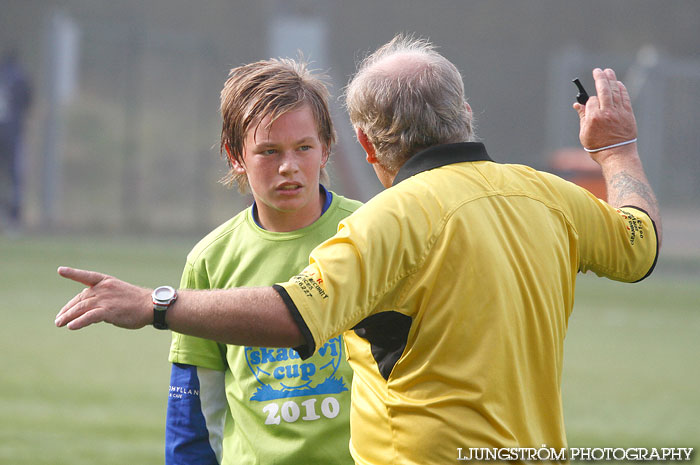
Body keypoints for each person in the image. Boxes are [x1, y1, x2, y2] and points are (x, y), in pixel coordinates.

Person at [56, 35, 660, 465]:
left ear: (365, 146)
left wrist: (156, 305)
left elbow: (293, 315)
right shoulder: (547, 196)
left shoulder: (387, 221)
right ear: (465, 114)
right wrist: (618, 152)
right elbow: (639, 245)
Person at [165, 58, 360, 464]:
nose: (289, 166)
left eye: (303, 147)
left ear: (325, 147)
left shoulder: (370, 232)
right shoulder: (210, 260)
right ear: (235, 155)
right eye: (269, 151)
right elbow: (193, 411)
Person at [0, 49, 32, 229]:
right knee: (15, 177)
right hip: (13, 134)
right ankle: (14, 219)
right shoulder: (21, 77)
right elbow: (28, 103)